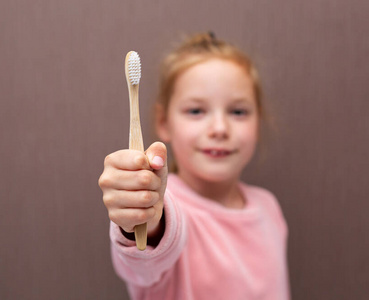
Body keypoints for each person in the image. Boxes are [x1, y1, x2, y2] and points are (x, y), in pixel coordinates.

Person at [98, 32, 290, 300]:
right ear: (164, 122)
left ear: (258, 121)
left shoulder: (269, 208)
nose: (220, 129)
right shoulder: (167, 209)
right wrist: (146, 215)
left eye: (238, 112)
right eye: (196, 111)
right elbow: (145, 261)